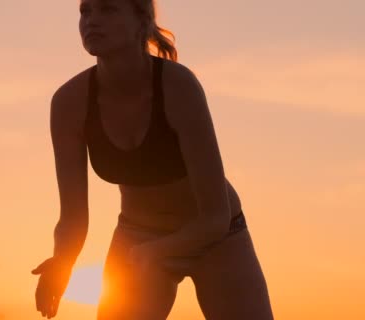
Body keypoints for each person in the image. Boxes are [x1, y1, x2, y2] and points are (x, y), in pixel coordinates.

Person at [31, 0, 274, 319]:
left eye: (108, 9)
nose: (91, 20)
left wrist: (156, 251)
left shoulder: (178, 86)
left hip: (217, 235)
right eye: (85, 11)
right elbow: (73, 217)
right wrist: (62, 262)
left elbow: (216, 215)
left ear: (141, 20)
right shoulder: (69, 103)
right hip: (138, 234)